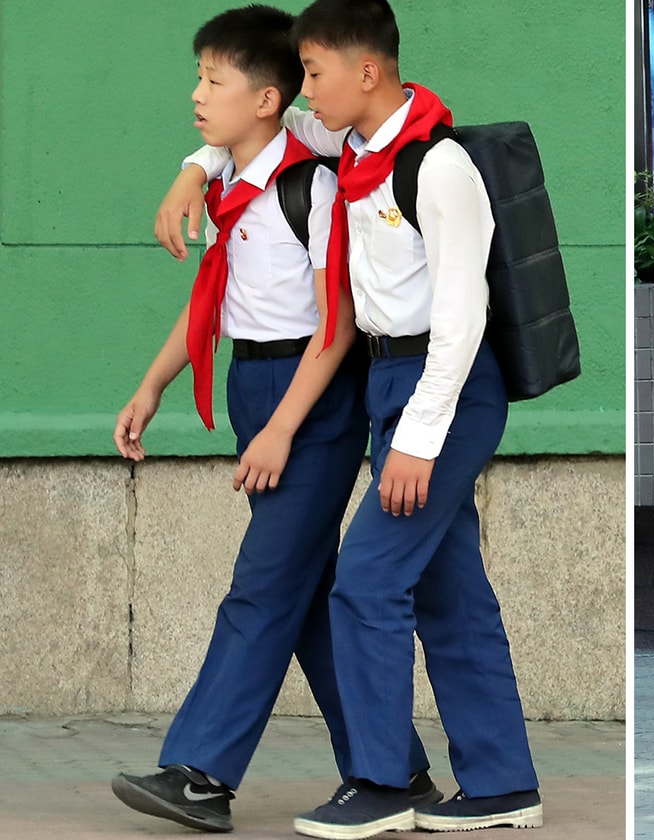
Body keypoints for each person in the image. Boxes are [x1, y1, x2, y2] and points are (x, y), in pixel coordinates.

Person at [157, 1, 541, 835]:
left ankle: (383, 780)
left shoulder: (436, 166)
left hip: (444, 388)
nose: (305, 89)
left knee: (365, 581)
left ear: (367, 72)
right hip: (386, 382)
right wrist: (194, 167)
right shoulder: (350, 142)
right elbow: (260, 119)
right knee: (452, 592)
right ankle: (504, 783)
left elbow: (463, 316)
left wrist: (418, 439)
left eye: (317, 71)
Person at [111, 6, 438, 834]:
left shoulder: (311, 183)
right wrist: (152, 386)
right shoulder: (227, 178)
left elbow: (335, 324)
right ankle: (395, 769)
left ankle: (200, 775)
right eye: (199, 77)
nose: (196, 94)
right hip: (255, 388)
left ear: (264, 98)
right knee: (305, 595)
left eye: (212, 80)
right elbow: (215, 298)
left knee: (262, 588)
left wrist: (283, 427)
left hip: (308, 399)